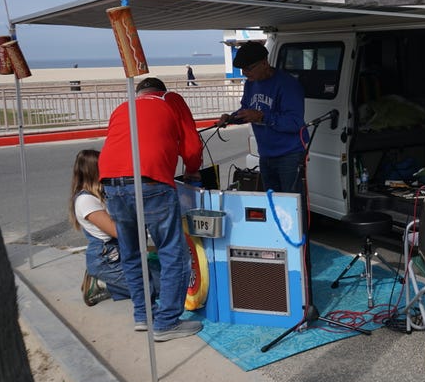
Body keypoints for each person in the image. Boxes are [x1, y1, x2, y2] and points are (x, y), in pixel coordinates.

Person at [100, 77, 203, 341]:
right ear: (161, 91)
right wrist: (191, 171)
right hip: (151, 180)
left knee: (132, 253)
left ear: (138, 93)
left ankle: (143, 316)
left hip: (111, 183)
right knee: (173, 254)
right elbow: (191, 146)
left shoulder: (123, 107)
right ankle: (167, 322)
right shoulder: (171, 100)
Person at [70, 149, 160, 306]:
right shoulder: (85, 201)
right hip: (107, 259)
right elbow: (117, 231)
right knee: (157, 287)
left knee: (164, 274)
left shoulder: (99, 194)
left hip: (119, 254)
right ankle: (102, 284)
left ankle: (110, 283)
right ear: (95, 171)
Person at [218, 42, 308, 193]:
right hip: (266, 155)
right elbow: (246, 110)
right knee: (271, 201)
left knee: (292, 205)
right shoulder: (250, 84)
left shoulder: (287, 85)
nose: (244, 73)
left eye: (248, 68)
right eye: (241, 69)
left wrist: (262, 117)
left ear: (265, 63)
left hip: (289, 155)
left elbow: (294, 123)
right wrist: (232, 118)